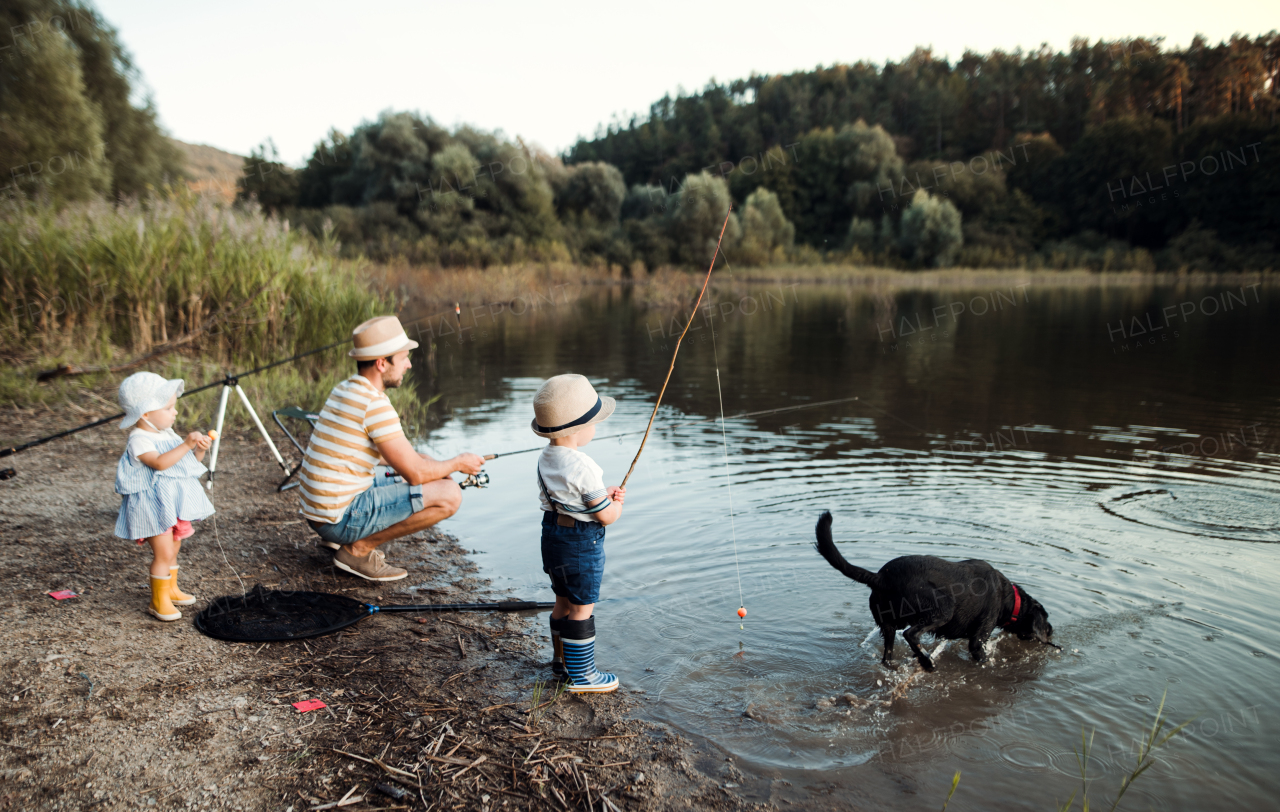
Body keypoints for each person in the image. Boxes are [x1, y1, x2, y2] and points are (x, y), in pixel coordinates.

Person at [299, 315, 485, 581]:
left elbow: (365, 455)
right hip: (336, 519)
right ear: (381, 363)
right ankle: (358, 550)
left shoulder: (345, 389)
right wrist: (457, 463)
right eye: (403, 358)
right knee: (450, 494)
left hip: (319, 512)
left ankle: (346, 542)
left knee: (423, 461)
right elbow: (417, 475)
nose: (409, 365)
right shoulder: (375, 404)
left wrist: (429, 464)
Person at [532, 374, 626, 693]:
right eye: (594, 422)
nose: (596, 428)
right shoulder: (584, 466)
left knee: (562, 601)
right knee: (582, 607)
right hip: (580, 544)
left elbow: (570, 498)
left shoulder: (547, 457)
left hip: (552, 537)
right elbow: (606, 516)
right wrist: (617, 503)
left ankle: (560, 664)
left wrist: (602, 492)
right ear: (578, 429)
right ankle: (582, 676)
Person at [114, 372, 216, 621]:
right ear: (145, 414)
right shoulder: (139, 439)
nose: (175, 412)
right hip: (153, 507)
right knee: (162, 553)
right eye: (169, 407)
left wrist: (198, 451)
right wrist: (185, 444)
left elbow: (184, 465)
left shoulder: (166, 434)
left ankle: (170, 589)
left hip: (172, 503)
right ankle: (158, 601)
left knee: (174, 548)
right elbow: (159, 463)